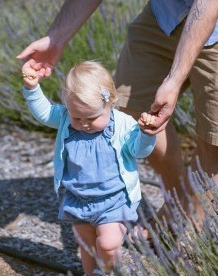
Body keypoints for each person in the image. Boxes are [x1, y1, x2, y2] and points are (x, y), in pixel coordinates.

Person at [17, 0, 218, 233]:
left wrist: (174, 79)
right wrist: (56, 38)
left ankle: (192, 235)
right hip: (168, 11)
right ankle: (178, 202)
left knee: (217, 140)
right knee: (131, 111)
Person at [21, 60, 156, 275]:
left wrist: (147, 135)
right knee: (87, 246)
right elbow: (44, 113)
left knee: (108, 244)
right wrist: (32, 88)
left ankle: (107, 271)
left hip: (114, 200)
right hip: (78, 197)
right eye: (77, 117)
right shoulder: (66, 119)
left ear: (110, 102)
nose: (84, 123)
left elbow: (139, 151)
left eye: (91, 117)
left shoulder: (123, 125)